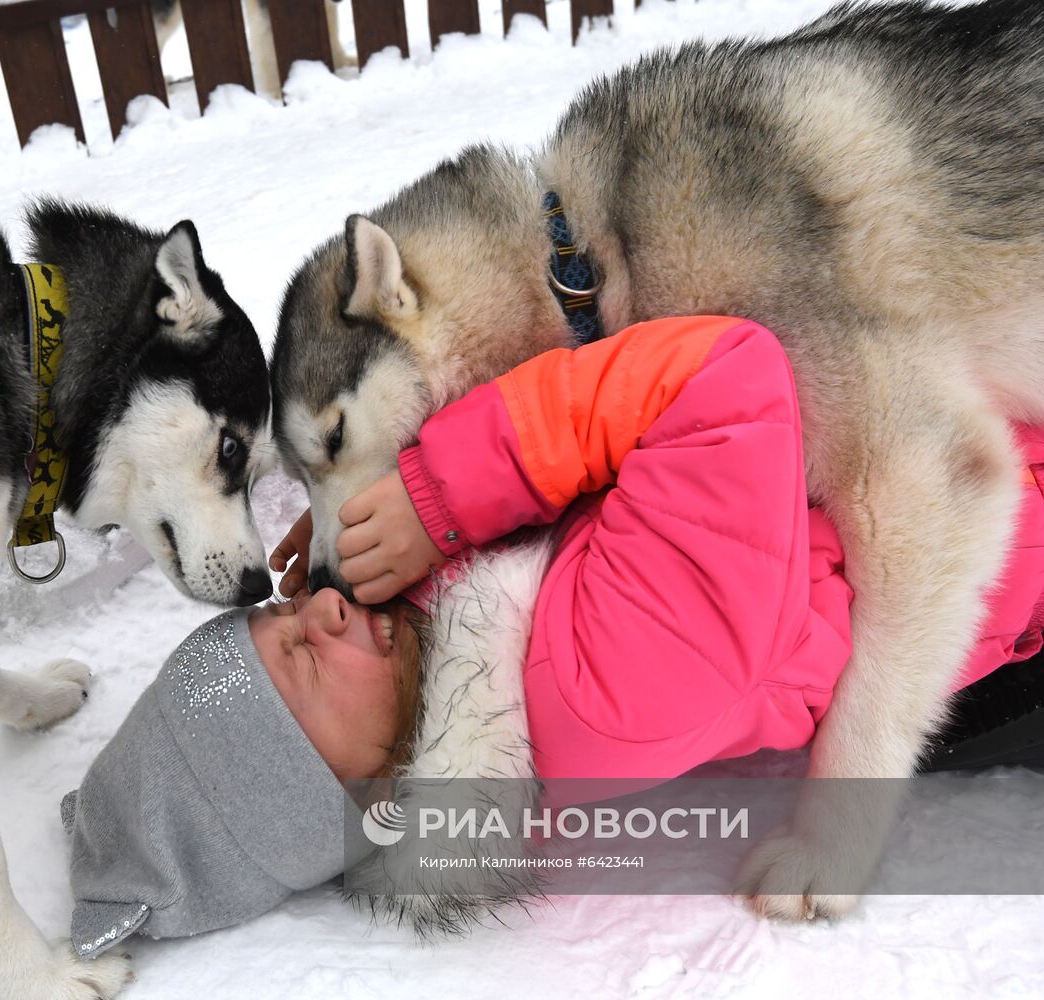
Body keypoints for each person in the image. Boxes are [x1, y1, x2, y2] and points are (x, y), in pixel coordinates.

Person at [63, 315, 1044, 955]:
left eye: (284, 616)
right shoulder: (601, 685)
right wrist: (438, 492)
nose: (320, 609)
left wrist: (385, 510)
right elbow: (723, 377)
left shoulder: (464, 661)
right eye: (306, 661)